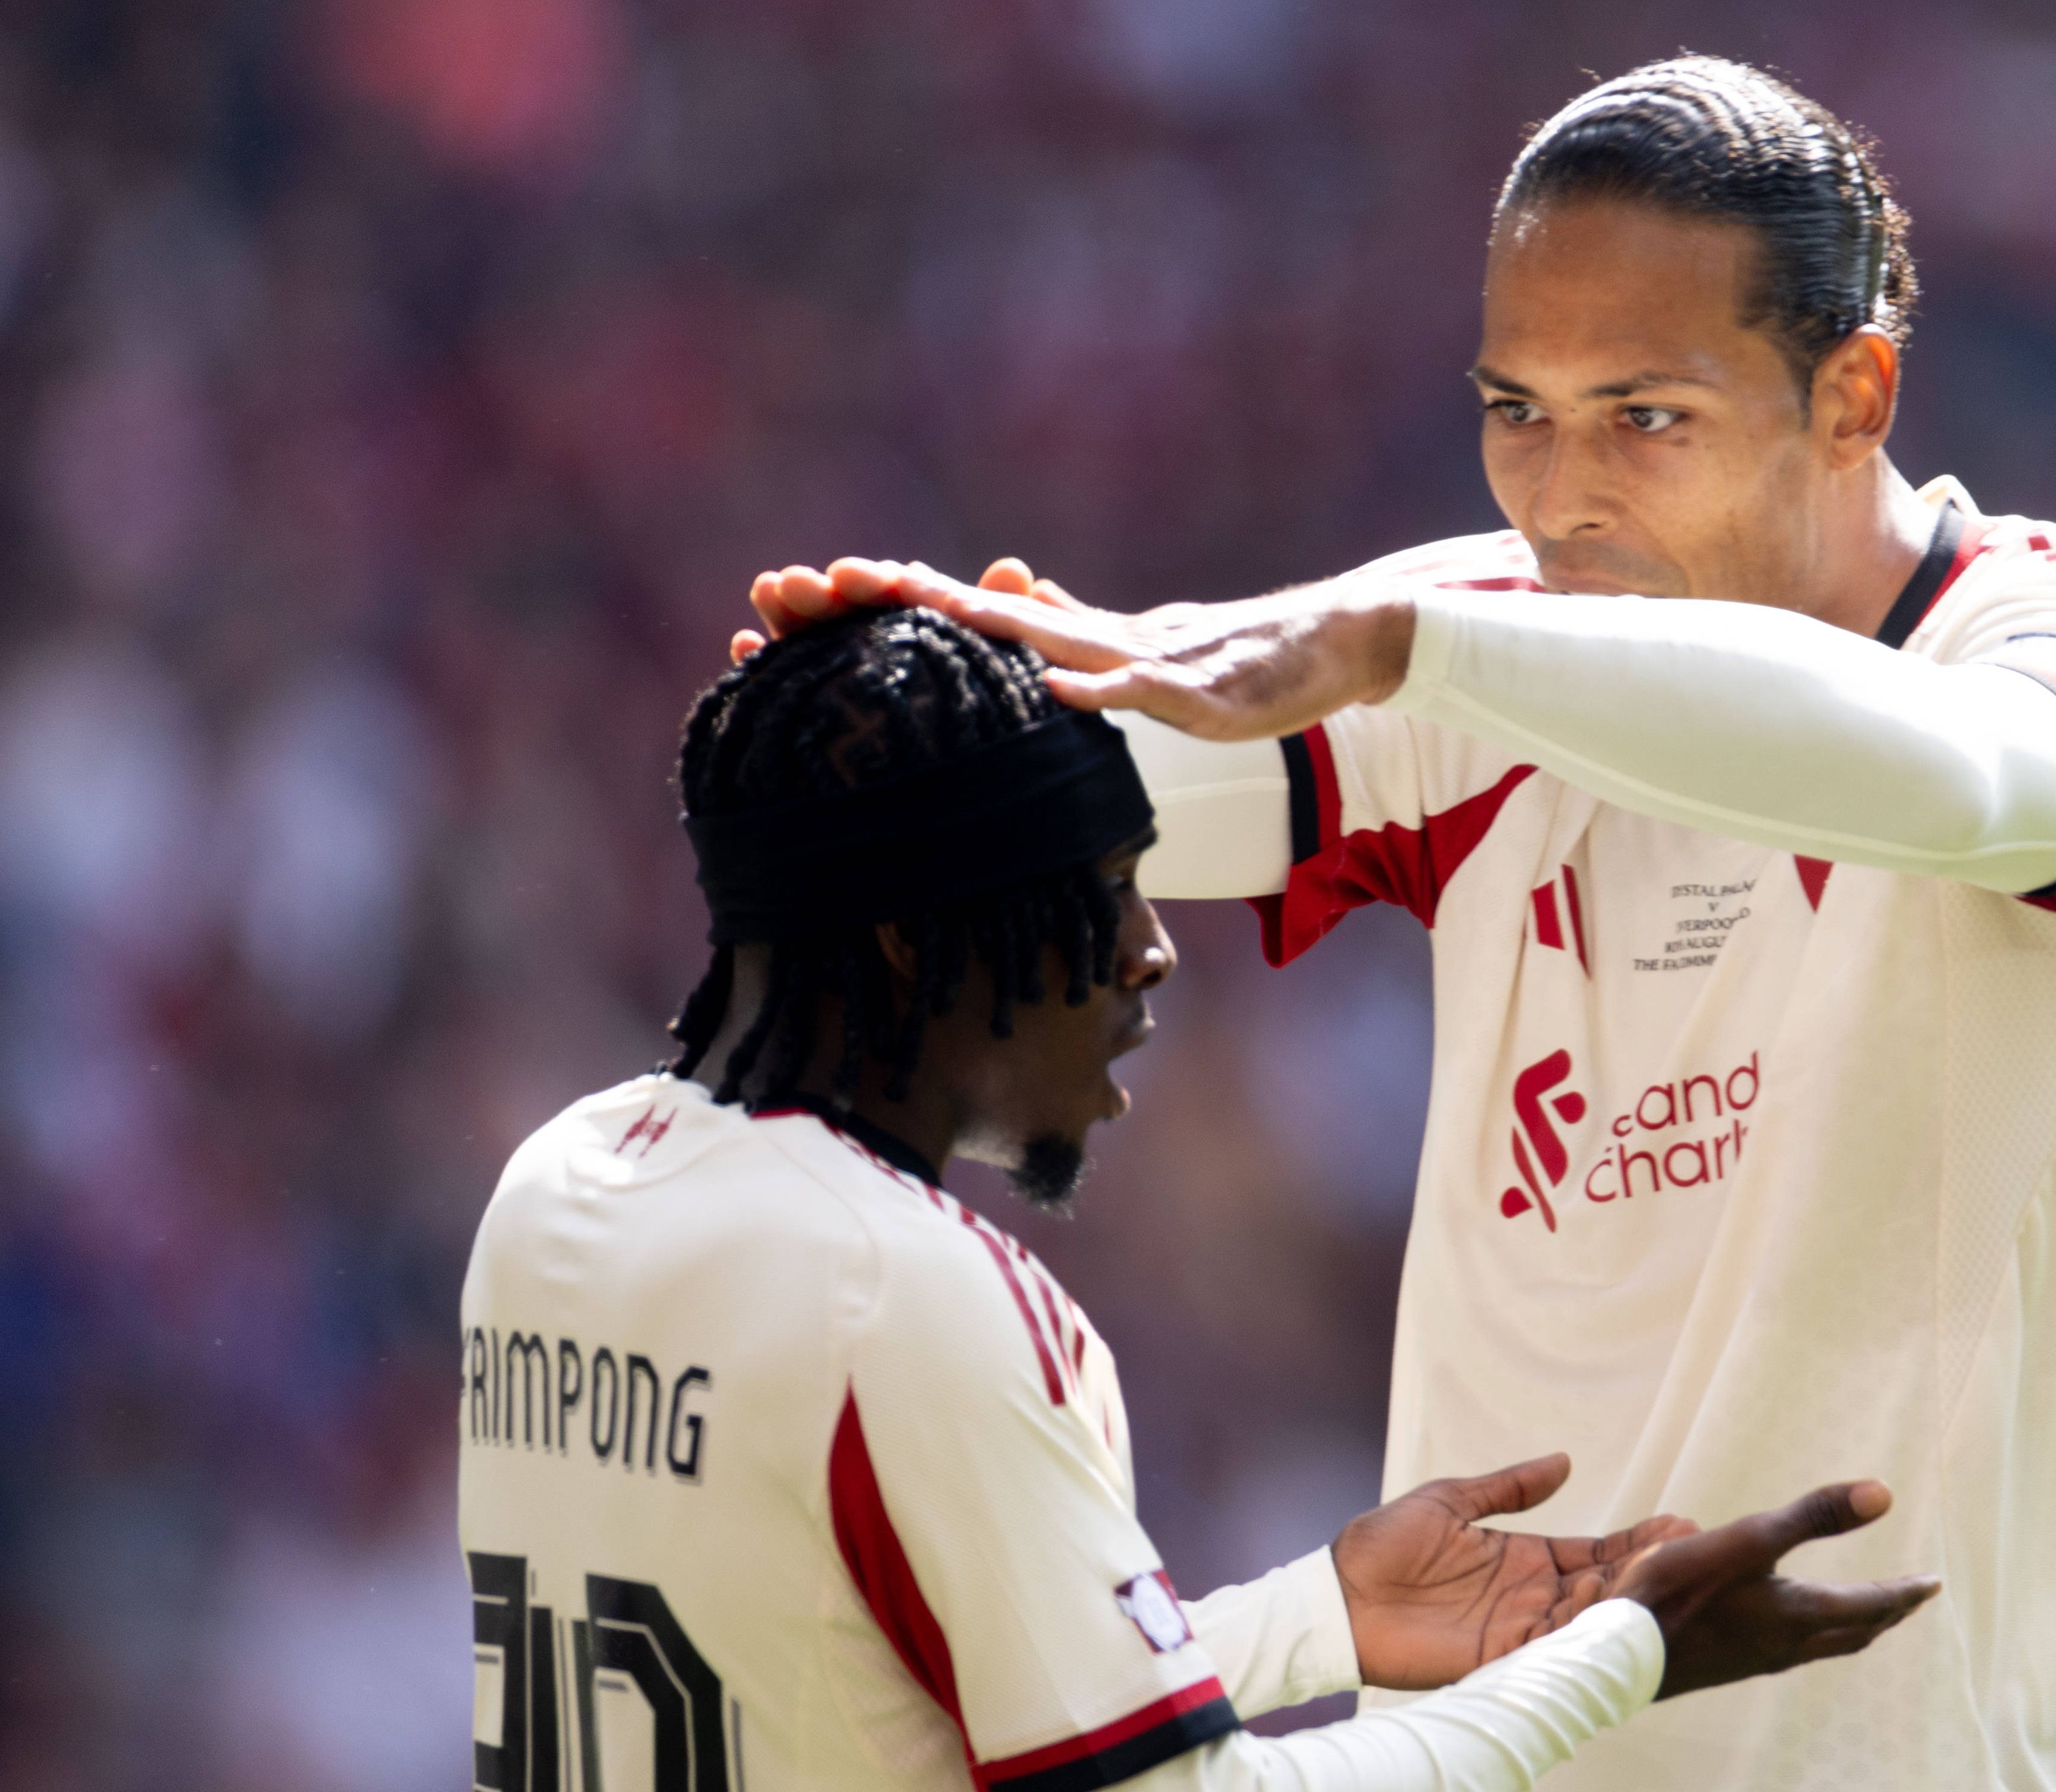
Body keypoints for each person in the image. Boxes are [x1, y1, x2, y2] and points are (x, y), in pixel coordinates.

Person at [750, 55, 2056, 1791]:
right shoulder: (1488, 646)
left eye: (1646, 417)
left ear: (1853, 395)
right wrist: (873, 744)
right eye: (1515, 409)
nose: (1559, 498)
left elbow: (1982, 781)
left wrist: (1408, 646)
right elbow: (1065, 783)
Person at [456, 607, 1936, 1791]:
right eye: (1100, 886)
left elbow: (878, 1698)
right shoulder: (906, 1292)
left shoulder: (560, 1189)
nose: (1150, 948)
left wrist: (1322, 1616)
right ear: (914, 937)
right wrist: (1623, 1650)